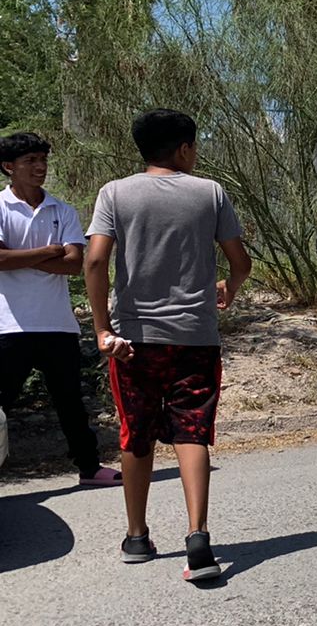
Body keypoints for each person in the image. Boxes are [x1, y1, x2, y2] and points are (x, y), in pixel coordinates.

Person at [85, 110, 252, 581]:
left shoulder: (115, 193)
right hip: (195, 338)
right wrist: (228, 288)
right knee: (192, 431)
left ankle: (137, 536)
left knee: (134, 432)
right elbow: (241, 261)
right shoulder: (210, 193)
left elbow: (96, 260)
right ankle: (198, 537)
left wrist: (102, 330)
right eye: (194, 147)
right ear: (183, 149)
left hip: (133, 340)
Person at [0, 132, 115, 486]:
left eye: (42, 160)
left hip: (57, 324)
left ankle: (90, 468)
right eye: (30, 161)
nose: (40, 167)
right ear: (8, 167)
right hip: (9, 325)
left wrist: (21, 257)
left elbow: (72, 264)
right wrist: (48, 251)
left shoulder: (61, 209)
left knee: (70, 403)